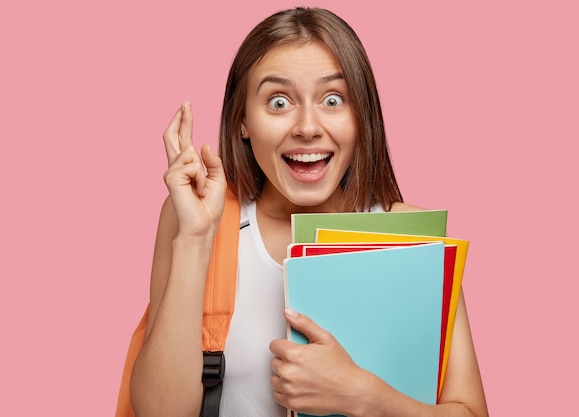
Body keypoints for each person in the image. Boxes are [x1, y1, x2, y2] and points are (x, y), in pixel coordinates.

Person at [129, 6, 488, 417]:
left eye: (332, 99)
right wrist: (195, 238)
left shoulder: (412, 236)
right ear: (242, 120)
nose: (307, 126)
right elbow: (158, 412)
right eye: (278, 101)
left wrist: (364, 396)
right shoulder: (195, 219)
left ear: (361, 116)